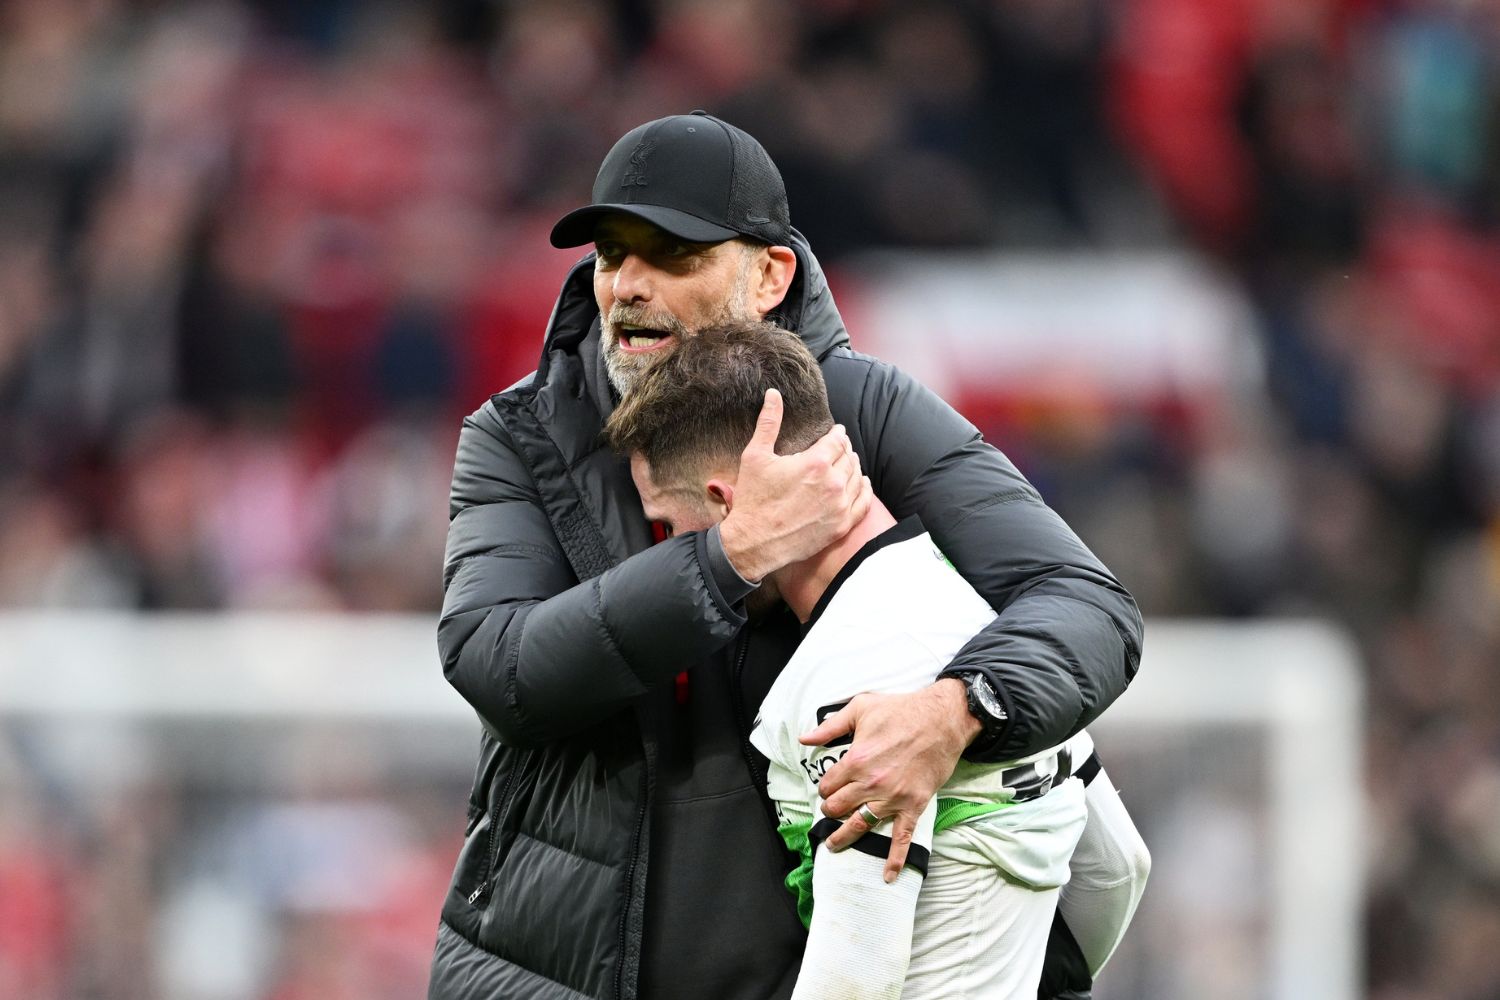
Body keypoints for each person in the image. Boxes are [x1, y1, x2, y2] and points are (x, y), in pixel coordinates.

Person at [427, 111, 1144, 1000]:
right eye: (612, 256)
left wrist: (958, 709)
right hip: (554, 975)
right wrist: (726, 560)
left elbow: (1088, 605)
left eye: (673, 256)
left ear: (770, 275)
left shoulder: (866, 412)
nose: (628, 287)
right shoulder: (523, 434)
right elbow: (496, 666)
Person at [604, 320, 1148, 999]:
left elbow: (854, 979)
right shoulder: (977, 612)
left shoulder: (853, 683)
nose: (671, 555)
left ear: (725, 502)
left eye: (670, 527)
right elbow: (1119, 867)